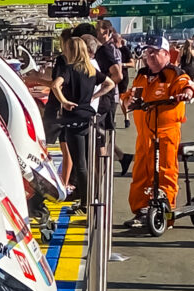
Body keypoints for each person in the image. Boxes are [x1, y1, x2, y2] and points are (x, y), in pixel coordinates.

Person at [124, 34, 194, 228]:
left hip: (166, 132)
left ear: (166, 54)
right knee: (141, 173)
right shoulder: (141, 75)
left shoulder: (174, 73)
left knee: (165, 171)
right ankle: (141, 210)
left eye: (155, 53)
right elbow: (130, 95)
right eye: (148, 53)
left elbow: (187, 85)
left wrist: (186, 94)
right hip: (145, 133)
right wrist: (127, 101)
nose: (151, 56)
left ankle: (166, 213)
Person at [50, 36, 116, 207]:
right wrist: (94, 96)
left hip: (73, 117)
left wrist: (64, 101)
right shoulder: (91, 70)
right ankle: (93, 195)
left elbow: (55, 85)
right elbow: (110, 83)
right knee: (89, 158)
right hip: (89, 116)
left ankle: (86, 202)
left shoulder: (69, 70)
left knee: (80, 163)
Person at [95, 21, 129, 174]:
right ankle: (121, 157)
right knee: (104, 131)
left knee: (100, 133)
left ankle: (103, 170)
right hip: (111, 95)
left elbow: (118, 74)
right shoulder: (113, 48)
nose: (96, 33)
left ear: (106, 32)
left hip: (107, 97)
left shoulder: (105, 50)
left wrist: (103, 87)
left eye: (98, 30)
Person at [115, 33, 133, 128]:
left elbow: (132, 63)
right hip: (112, 76)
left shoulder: (125, 50)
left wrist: (122, 65)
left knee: (121, 98)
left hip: (123, 76)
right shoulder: (110, 50)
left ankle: (126, 117)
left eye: (115, 40)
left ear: (120, 40)